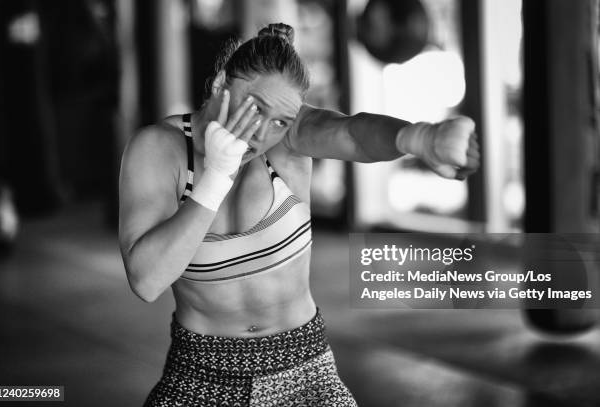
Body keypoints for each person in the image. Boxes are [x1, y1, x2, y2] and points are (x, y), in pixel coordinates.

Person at [118, 23, 479, 407]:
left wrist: (421, 139)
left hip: (305, 369)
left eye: (279, 121)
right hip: (200, 374)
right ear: (221, 84)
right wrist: (215, 179)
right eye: (254, 107)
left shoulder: (286, 141)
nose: (261, 133)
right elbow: (147, 281)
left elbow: (353, 132)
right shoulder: (161, 150)